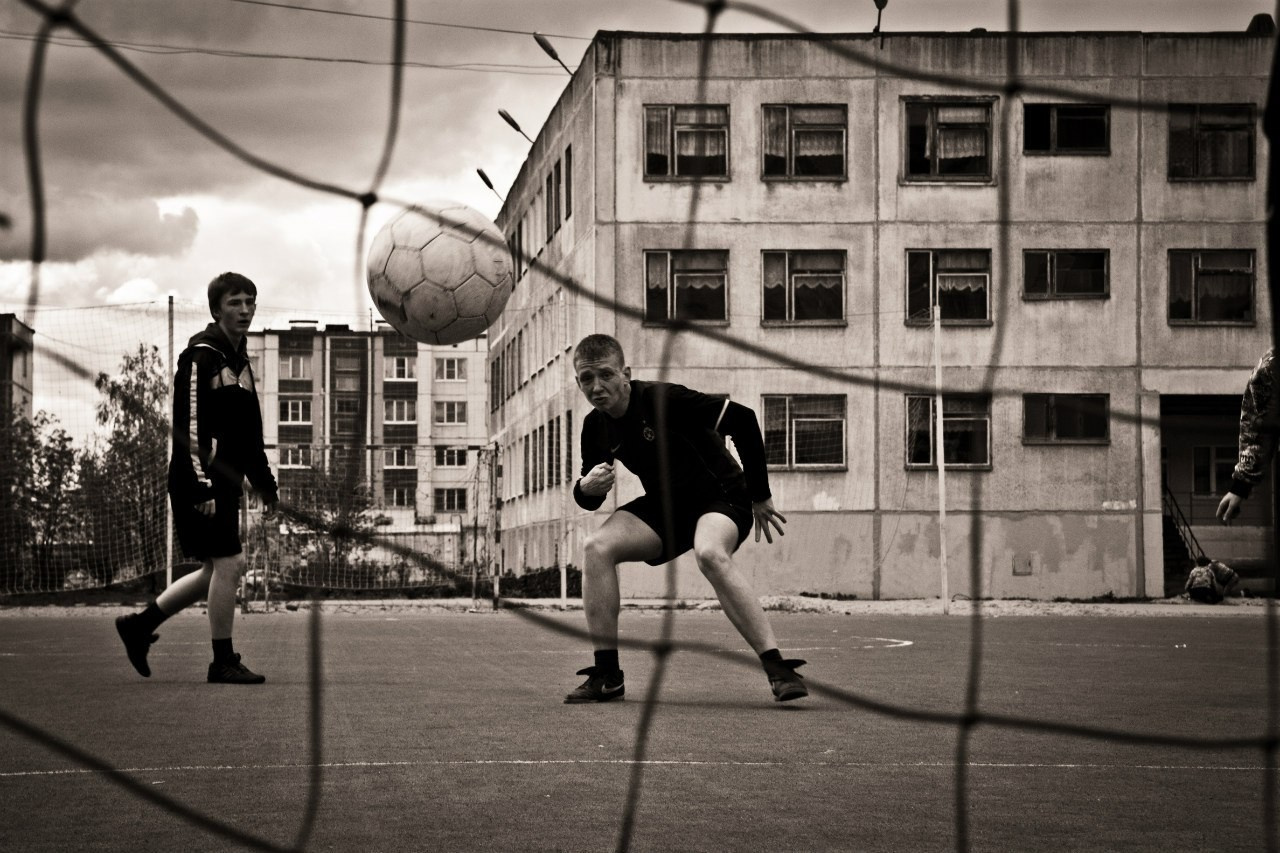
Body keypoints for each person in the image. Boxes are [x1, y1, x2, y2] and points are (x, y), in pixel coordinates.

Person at [565, 333, 808, 704]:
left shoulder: (663, 400)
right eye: (586, 379)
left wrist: (760, 495)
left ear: (625, 373)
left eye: (606, 375)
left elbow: (743, 420)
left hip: (722, 497)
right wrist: (586, 488)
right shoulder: (594, 426)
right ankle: (607, 675)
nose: (597, 387)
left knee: (709, 552)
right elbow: (588, 496)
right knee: (596, 547)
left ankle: (778, 669)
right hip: (667, 507)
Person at [116, 272, 278, 684]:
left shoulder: (239, 363)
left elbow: (249, 434)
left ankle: (139, 627)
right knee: (232, 563)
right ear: (216, 309)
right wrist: (199, 483)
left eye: (250, 301)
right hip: (198, 481)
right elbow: (186, 427)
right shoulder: (200, 357)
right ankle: (222, 661)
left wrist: (265, 483)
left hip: (224, 481)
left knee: (216, 570)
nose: (245, 310)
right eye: (235, 302)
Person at [1217, 348, 1277, 525]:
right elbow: (1258, 427)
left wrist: (1241, 486)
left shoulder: (1270, 366)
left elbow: (1257, 426)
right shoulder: (1270, 367)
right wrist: (1240, 486)